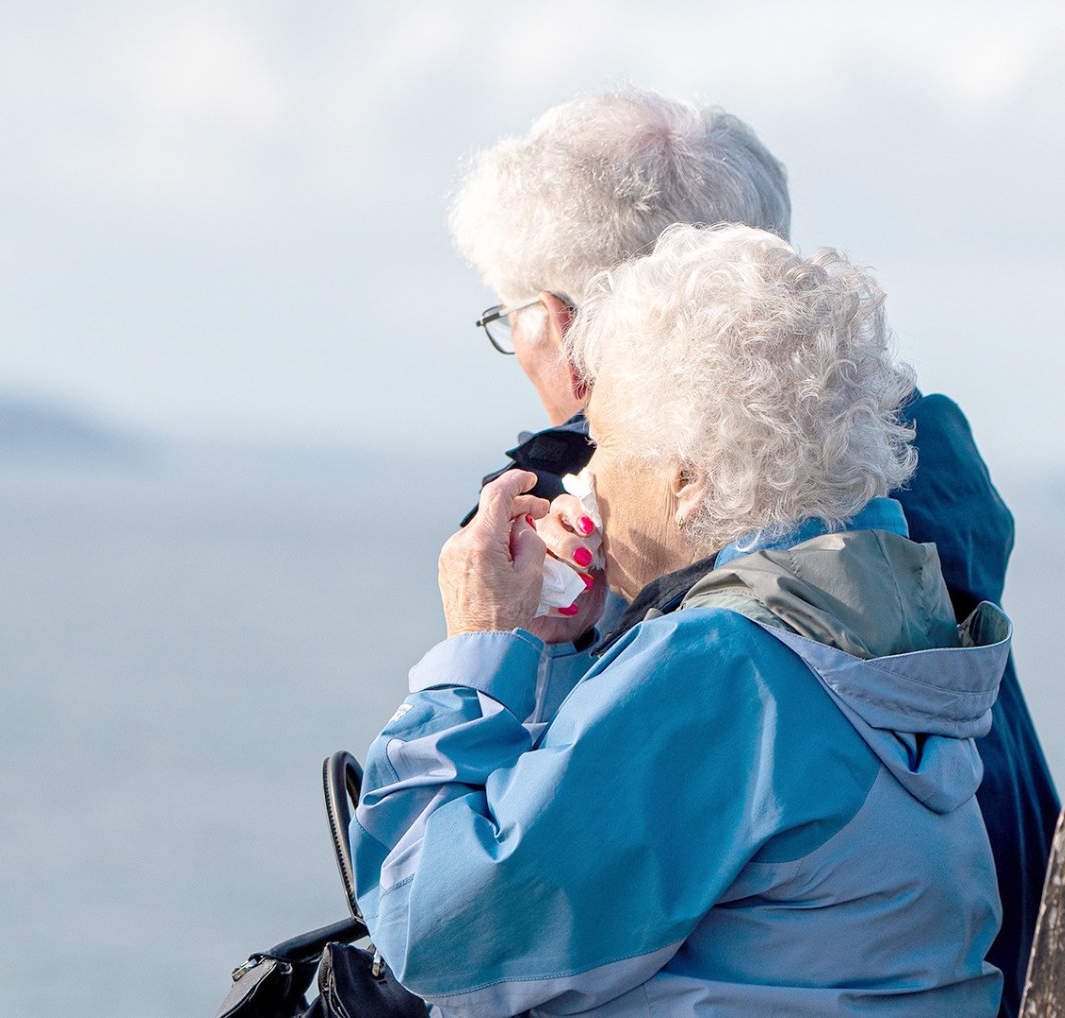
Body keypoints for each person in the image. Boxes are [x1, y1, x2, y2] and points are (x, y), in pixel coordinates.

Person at [448, 88, 1058, 1015]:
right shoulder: (902, 468)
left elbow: (494, 917)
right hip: (1001, 944)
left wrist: (492, 656)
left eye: (510, 319)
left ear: (568, 322)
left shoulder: (670, 532)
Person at [353, 225, 1010, 1017]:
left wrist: (480, 648)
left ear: (688, 481)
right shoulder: (880, 615)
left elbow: (441, 938)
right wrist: (562, 646)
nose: (586, 475)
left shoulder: (723, 663)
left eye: (605, 442)